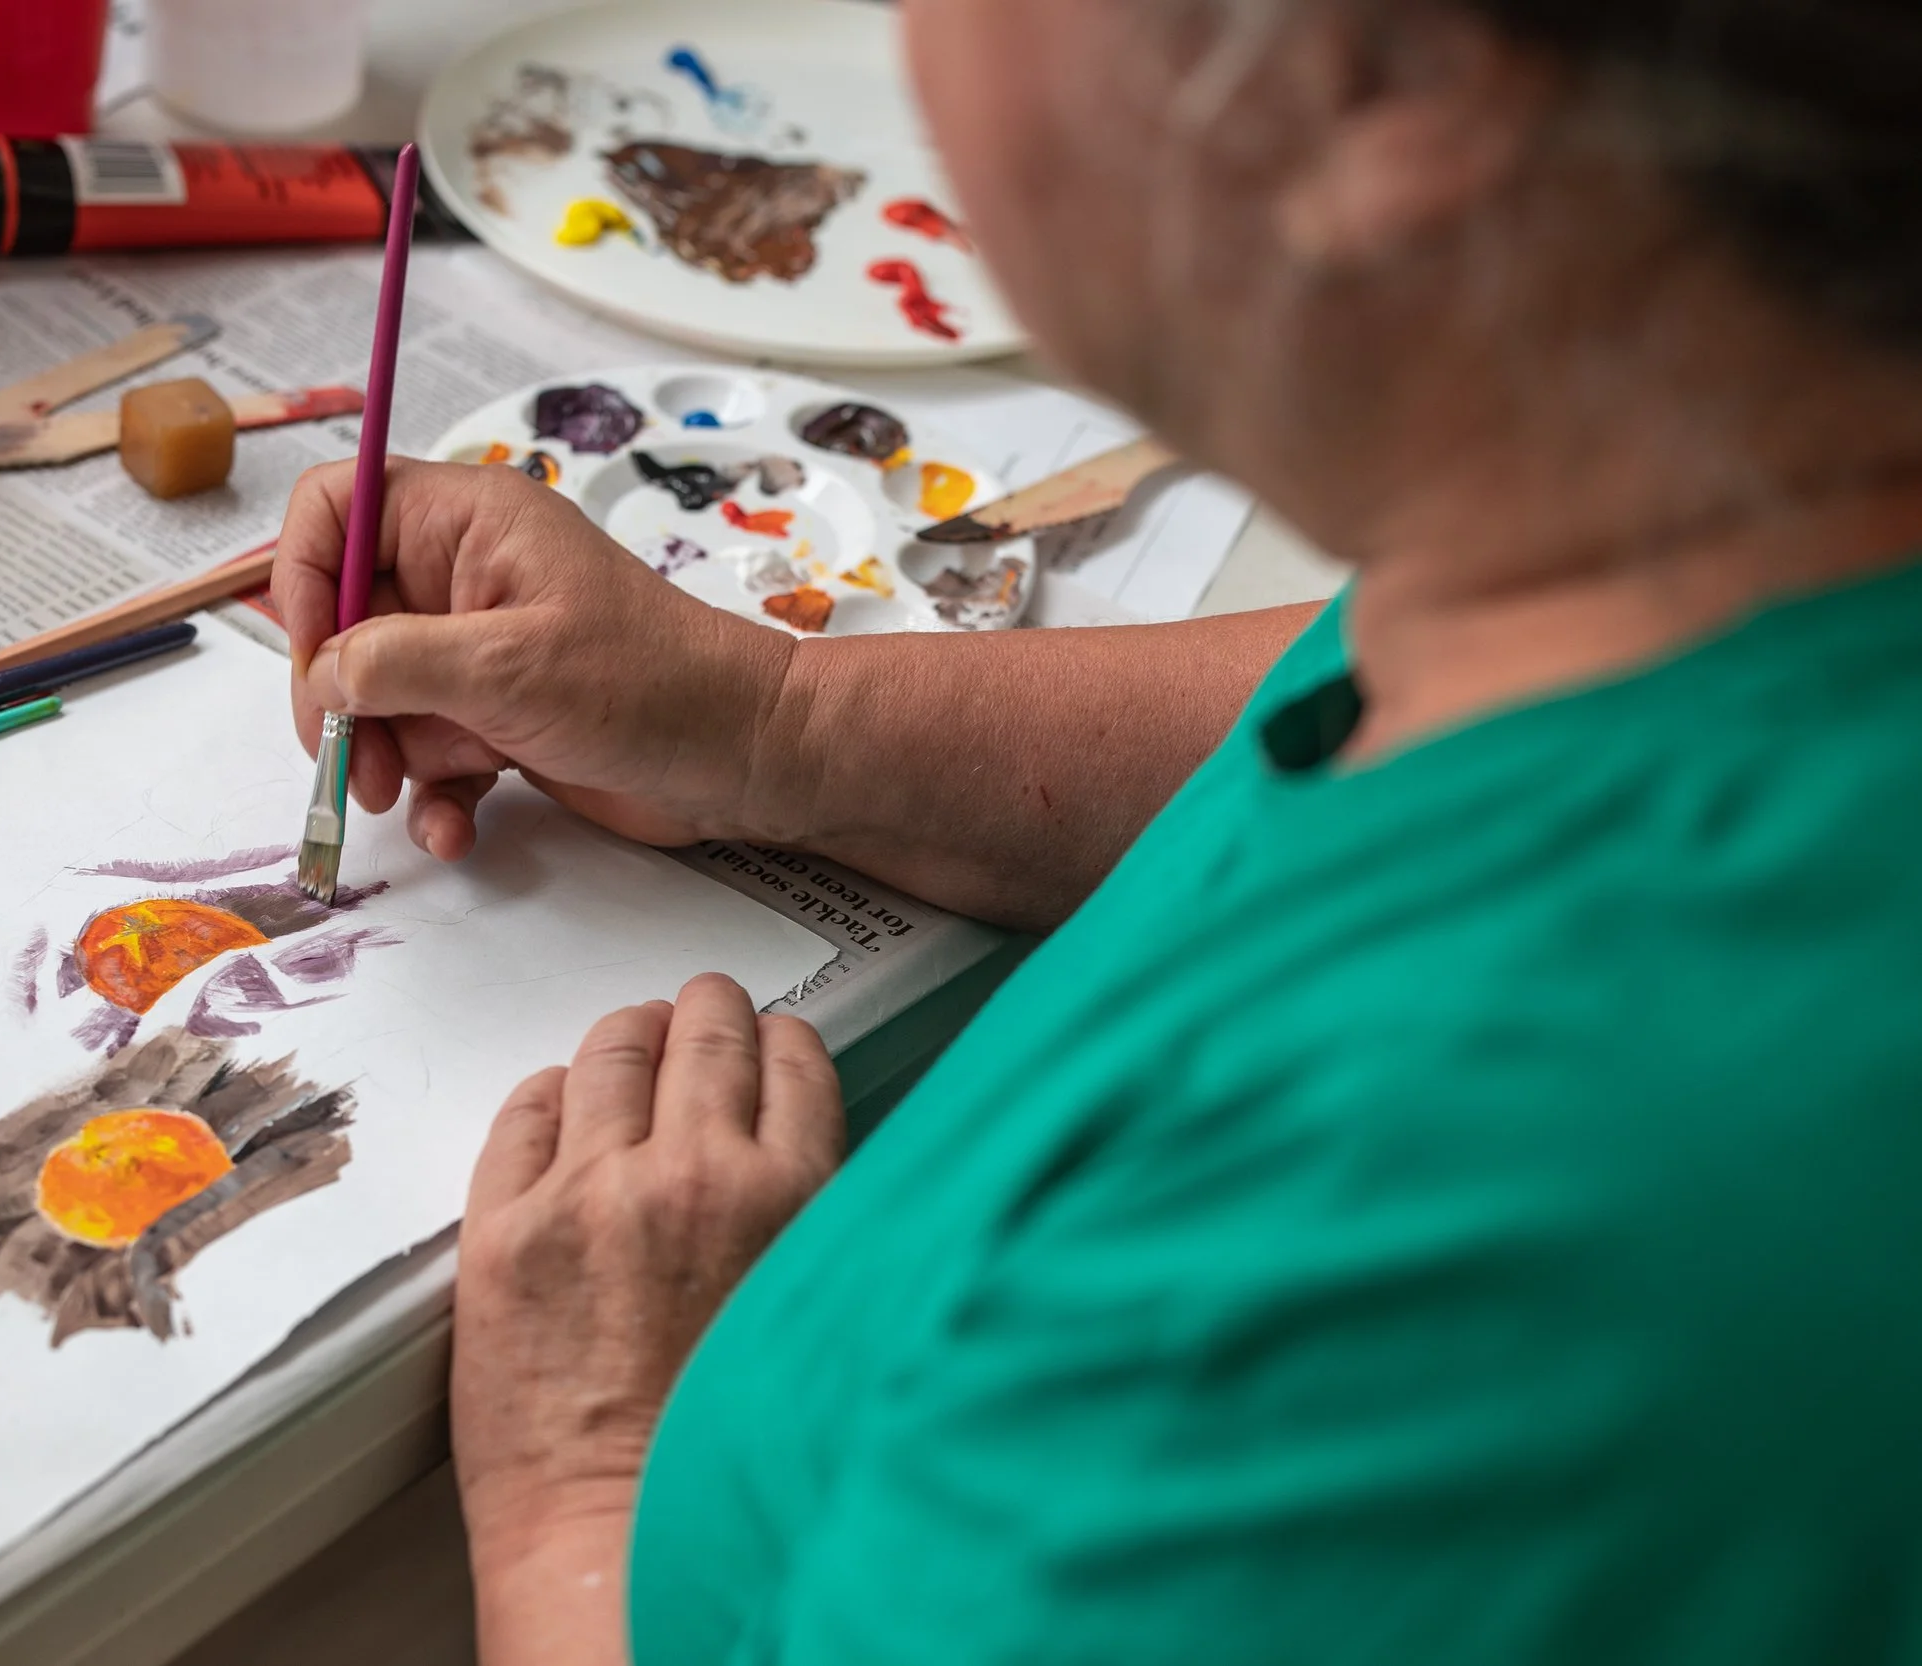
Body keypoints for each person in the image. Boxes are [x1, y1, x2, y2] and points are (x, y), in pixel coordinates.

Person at [275, 0, 1922, 1658]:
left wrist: (591, 1471)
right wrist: (774, 722)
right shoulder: (1689, 504)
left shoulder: (1382, 1261)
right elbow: (1358, 678)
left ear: (1385, 87)